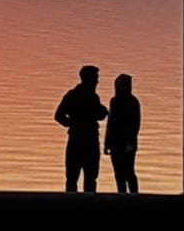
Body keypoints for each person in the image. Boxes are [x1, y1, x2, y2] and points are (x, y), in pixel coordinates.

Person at [54, 64, 108, 193]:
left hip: (76, 139)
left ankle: (72, 203)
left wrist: (70, 124)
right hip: (88, 140)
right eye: (95, 78)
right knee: (89, 177)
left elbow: (58, 115)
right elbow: (100, 114)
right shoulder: (91, 97)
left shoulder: (73, 95)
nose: (97, 81)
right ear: (89, 79)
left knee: (72, 178)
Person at [105, 72, 142, 194]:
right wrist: (107, 143)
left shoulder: (133, 102)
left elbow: (135, 125)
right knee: (118, 173)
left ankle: (133, 195)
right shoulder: (114, 101)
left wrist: (130, 142)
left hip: (127, 142)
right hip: (115, 143)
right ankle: (121, 194)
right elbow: (110, 123)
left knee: (129, 172)